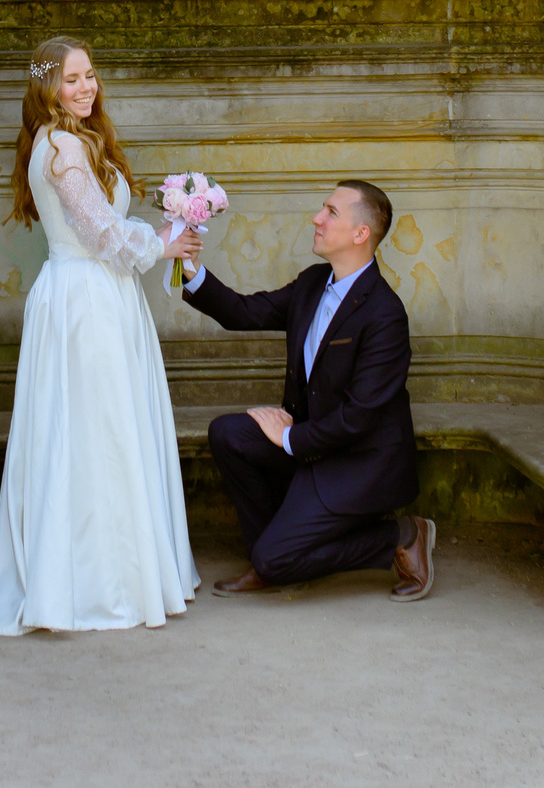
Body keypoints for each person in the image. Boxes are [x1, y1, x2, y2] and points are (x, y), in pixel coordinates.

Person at [0, 36, 202, 634]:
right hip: (86, 299)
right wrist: (164, 244)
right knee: (96, 430)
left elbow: (103, 225)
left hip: (98, 294)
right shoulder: (62, 146)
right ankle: (99, 582)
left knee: (95, 426)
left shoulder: (68, 140)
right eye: (70, 79)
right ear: (47, 87)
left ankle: (102, 569)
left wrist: (160, 229)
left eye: (90, 75)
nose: (85, 88)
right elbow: (103, 235)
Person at [180, 181, 435, 600]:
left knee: (274, 558)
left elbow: (358, 418)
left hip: (357, 465)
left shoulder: (385, 314)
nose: (317, 218)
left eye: (331, 212)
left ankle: (400, 536)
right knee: (228, 433)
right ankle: (272, 558)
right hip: (313, 449)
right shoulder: (313, 283)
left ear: (360, 233)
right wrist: (190, 269)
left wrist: (287, 436)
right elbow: (244, 312)